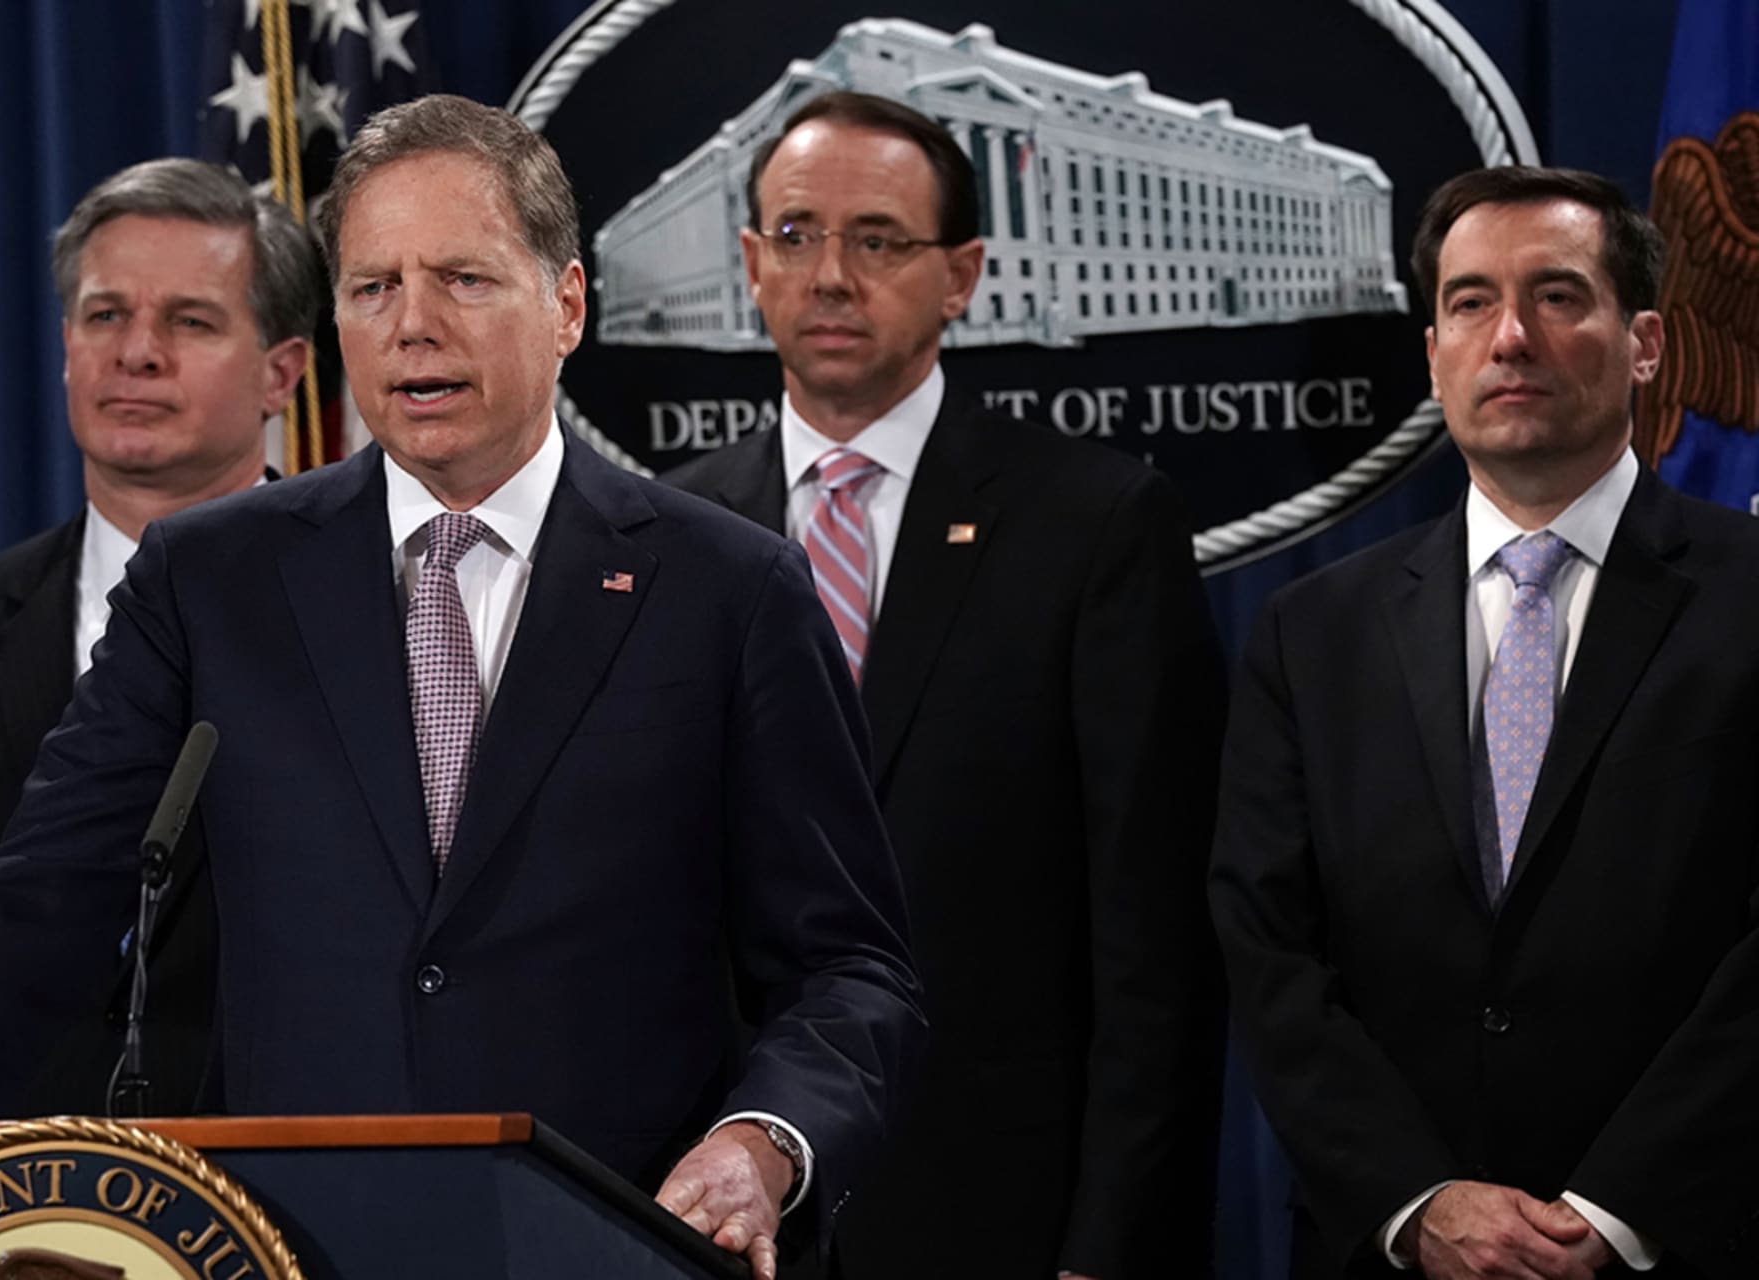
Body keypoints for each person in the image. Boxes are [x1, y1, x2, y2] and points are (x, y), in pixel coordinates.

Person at [0, 96, 922, 1280]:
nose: (413, 327)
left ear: (567, 304)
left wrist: (761, 1142)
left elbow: (850, 967)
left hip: (614, 1243)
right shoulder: (212, 579)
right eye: (372, 288)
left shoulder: (729, 587)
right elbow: (30, 907)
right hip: (293, 1242)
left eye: (463, 280)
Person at [670, 91, 1226, 1280]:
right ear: (750, 263)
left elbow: (1154, 937)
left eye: (877, 239)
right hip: (711, 1213)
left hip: (1001, 1209)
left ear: (963, 272)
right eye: (797, 234)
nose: (830, 274)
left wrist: (1109, 1241)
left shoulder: (1097, 523)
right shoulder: (667, 532)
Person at [1210, 165, 1759, 1280]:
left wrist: (1612, 1213)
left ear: (1645, 341)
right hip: (1398, 1249)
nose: (1510, 336)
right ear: (1433, 350)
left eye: (1558, 295)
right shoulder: (1310, 632)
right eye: (1469, 302)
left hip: (1698, 1237)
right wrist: (1418, 1198)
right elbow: (1270, 950)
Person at [0, 157, 319, 1117]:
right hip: (23, 1200)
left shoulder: (369, 605)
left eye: (189, 321)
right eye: (105, 316)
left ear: (283, 373)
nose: (137, 353)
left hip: (297, 1180)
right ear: (66, 345)